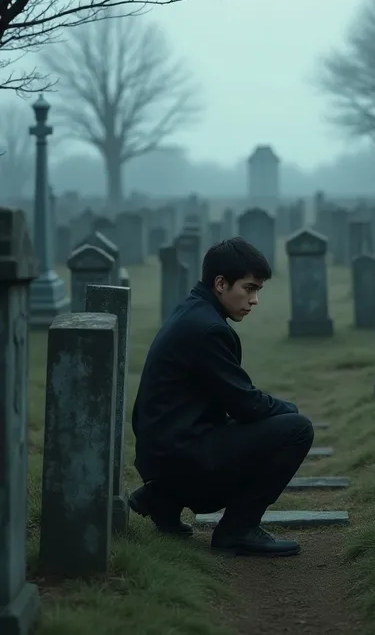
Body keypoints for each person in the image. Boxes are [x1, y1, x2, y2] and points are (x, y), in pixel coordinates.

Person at [129, 236, 314, 557]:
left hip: (161, 453)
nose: (254, 299)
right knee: (297, 429)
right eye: (249, 288)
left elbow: (225, 402)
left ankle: (162, 498)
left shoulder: (192, 311)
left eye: (257, 290)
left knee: (267, 424)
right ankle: (237, 529)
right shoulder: (208, 329)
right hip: (180, 457)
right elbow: (247, 405)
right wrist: (289, 410)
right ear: (220, 283)